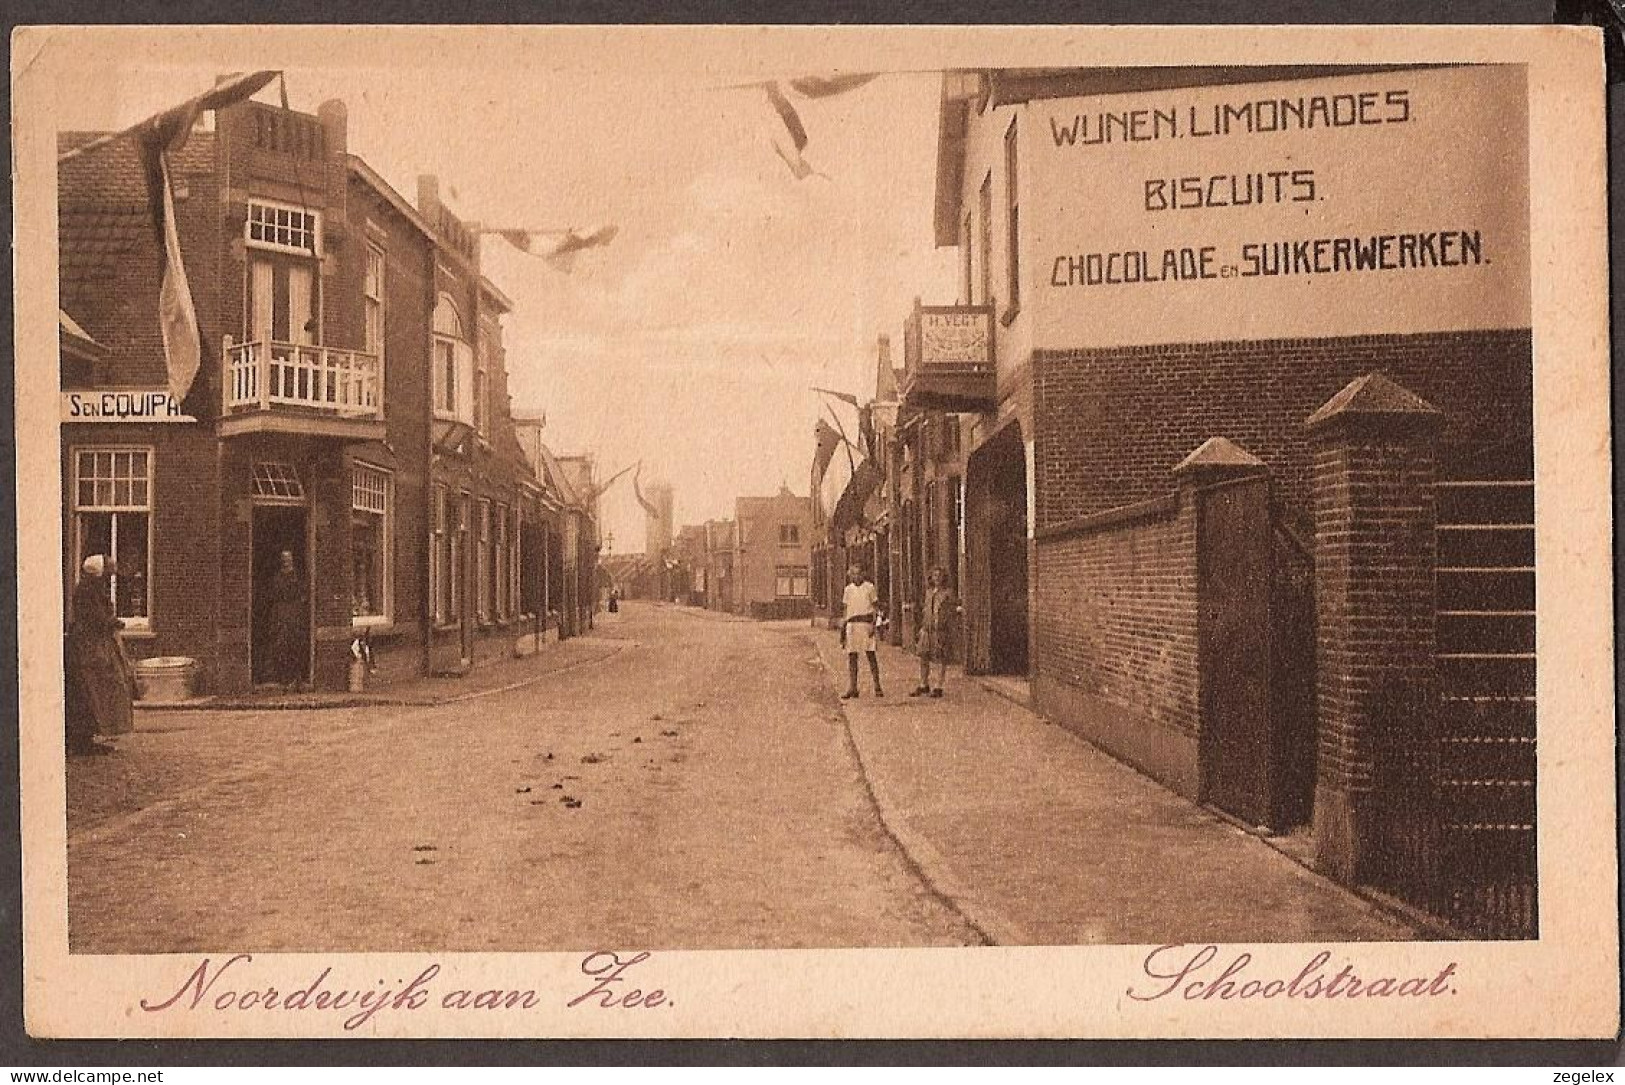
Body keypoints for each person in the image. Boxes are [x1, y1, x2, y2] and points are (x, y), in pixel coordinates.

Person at [64, 555, 134, 755]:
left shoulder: (90, 590)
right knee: (93, 688)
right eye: (108, 571)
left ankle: (91, 734)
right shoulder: (87, 592)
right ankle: (84, 738)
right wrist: (112, 623)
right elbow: (94, 619)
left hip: (96, 646)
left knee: (100, 688)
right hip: (90, 648)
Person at [912, 566, 959, 699]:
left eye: (939, 575)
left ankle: (939, 686)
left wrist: (948, 626)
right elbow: (924, 609)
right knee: (923, 656)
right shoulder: (928, 592)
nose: (937, 578)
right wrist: (921, 626)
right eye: (934, 575)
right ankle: (924, 684)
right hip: (927, 628)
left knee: (941, 657)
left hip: (941, 629)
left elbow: (951, 611)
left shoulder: (947, 593)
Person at [263, 549, 307, 691]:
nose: (286, 561)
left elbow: (302, 594)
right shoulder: (277, 577)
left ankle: (296, 678)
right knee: (281, 645)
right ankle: (284, 678)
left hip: (295, 614)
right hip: (281, 615)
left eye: (288, 558)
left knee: (296, 645)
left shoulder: (297, 576)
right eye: (284, 558)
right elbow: (273, 594)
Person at [840, 563, 883, 699]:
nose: (856, 576)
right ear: (850, 576)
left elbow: (876, 608)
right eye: (853, 574)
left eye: (858, 573)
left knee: (871, 655)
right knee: (852, 656)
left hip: (866, 624)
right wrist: (843, 626)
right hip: (852, 625)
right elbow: (846, 609)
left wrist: (874, 624)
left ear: (863, 574)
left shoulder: (869, 588)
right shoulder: (848, 589)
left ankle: (877, 686)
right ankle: (853, 687)